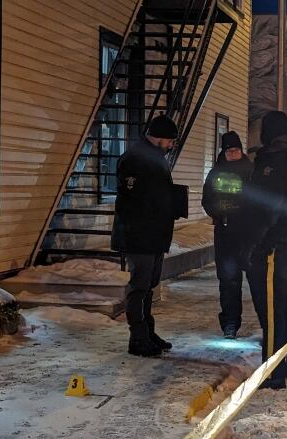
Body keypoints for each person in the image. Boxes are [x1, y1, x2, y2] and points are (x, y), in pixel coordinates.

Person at [242, 111, 287, 389]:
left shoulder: (275, 161)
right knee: (285, 302)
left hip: (277, 243)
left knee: (272, 307)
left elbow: (268, 207)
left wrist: (259, 241)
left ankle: (272, 373)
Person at [111, 114, 182, 358]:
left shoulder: (153, 158)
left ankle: (147, 332)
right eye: (170, 141)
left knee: (149, 285)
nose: (172, 145)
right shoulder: (135, 159)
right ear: (159, 138)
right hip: (139, 234)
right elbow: (132, 199)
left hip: (154, 234)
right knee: (139, 286)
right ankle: (137, 337)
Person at [201, 131, 253, 339]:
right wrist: (218, 213)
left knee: (255, 280)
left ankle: (266, 323)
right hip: (225, 231)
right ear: (224, 152)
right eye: (230, 151)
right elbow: (207, 199)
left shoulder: (251, 171)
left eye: (236, 150)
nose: (233, 154)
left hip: (248, 232)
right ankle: (230, 323)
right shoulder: (216, 173)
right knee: (229, 280)